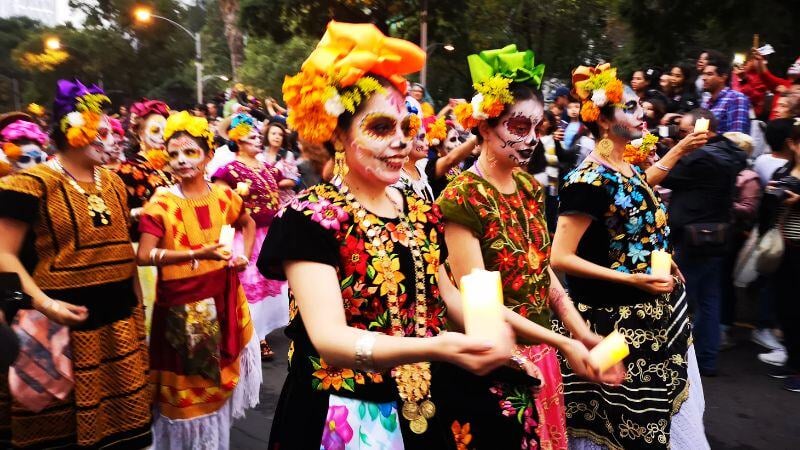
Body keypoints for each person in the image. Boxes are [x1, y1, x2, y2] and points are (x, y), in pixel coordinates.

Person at [259, 21, 515, 449]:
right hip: (343, 413)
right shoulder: (308, 217)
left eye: (405, 128)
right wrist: (435, 347)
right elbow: (331, 340)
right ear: (338, 135)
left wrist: (494, 332)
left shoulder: (418, 207)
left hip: (425, 398)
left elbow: (444, 292)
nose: (400, 142)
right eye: (380, 128)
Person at [441, 45, 624, 450]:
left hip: (542, 355)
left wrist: (583, 333)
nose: (530, 140)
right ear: (485, 127)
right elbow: (480, 304)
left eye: (537, 128)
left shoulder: (528, 187)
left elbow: (543, 275)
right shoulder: (462, 197)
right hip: (492, 364)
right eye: (519, 126)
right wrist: (565, 342)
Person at [551, 63, 710, 450]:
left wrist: (657, 254)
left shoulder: (620, 161)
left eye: (641, 106)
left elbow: (631, 194)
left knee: (674, 421)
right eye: (632, 107)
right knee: (621, 429)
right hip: (615, 324)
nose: (643, 114)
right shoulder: (585, 180)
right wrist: (630, 278)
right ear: (605, 121)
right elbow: (559, 257)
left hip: (658, 315)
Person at [0, 79, 152, 449]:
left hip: (118, 325)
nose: (111, 138)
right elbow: (2, 254)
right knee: (61, 435)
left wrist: (139, 310)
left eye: (110, 130)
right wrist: (44, 303)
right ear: (72, 130)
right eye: (101, 131)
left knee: (123, 433)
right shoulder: (31, 183)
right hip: (57, 329)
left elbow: (121, 249)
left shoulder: (115, 182)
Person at [137, 111, 261, 449]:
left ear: (207, 155)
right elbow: (144, 255)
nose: (180, 160)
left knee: (218, 380)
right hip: (181, 311)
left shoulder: (224, 196)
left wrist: (244, 257)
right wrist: (197, 255)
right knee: (187, 394)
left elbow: (246, 223)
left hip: (222, 299)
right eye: (174, 153)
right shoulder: (161, 202)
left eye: (190, 152)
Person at [660, 109, 747, 375]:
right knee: (710, 302)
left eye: (686, 132)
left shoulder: (699, 158)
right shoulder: (728, 152)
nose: (682, 136)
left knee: (680, 301)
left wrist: (674, 149)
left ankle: (673, 359)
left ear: (704, 131)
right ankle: (708, 360)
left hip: (691, 238)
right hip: (718, 236)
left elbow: (663, 174)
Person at [213, 112, 290, 360]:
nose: (259, 140)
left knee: (270, 286)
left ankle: (263, 330)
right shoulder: (228, 171)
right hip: (246, 235)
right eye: (253, 136)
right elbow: (220, 206)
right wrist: (237, 195)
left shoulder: (267, 168)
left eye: (259, 136)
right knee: (249, 286)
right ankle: (255, 335)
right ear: (239, 141)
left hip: (269, 233)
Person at [756, 119, 800, 392]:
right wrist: (772, 193)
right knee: (787, 308)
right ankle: (793, 361)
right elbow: (771, 201)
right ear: (792, 144)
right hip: (786, 247)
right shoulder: (786, 169)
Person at [701, 50, 752, 134]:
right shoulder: (706, 103)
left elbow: (738, 138)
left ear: (723, 78)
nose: (704, 78)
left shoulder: (736, 98)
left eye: (709, 74)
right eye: (704, 74)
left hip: (722, 146)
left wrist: (711, 136)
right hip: (704, 146)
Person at [260, 120, 299, 205]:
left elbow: (292, 181)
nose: (277, 137)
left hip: (283, 200)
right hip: (262, 199)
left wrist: (270, 184)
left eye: (280, 135)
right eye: (273, 134)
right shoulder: (260, 153)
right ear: (267, 136)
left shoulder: (288, 155)